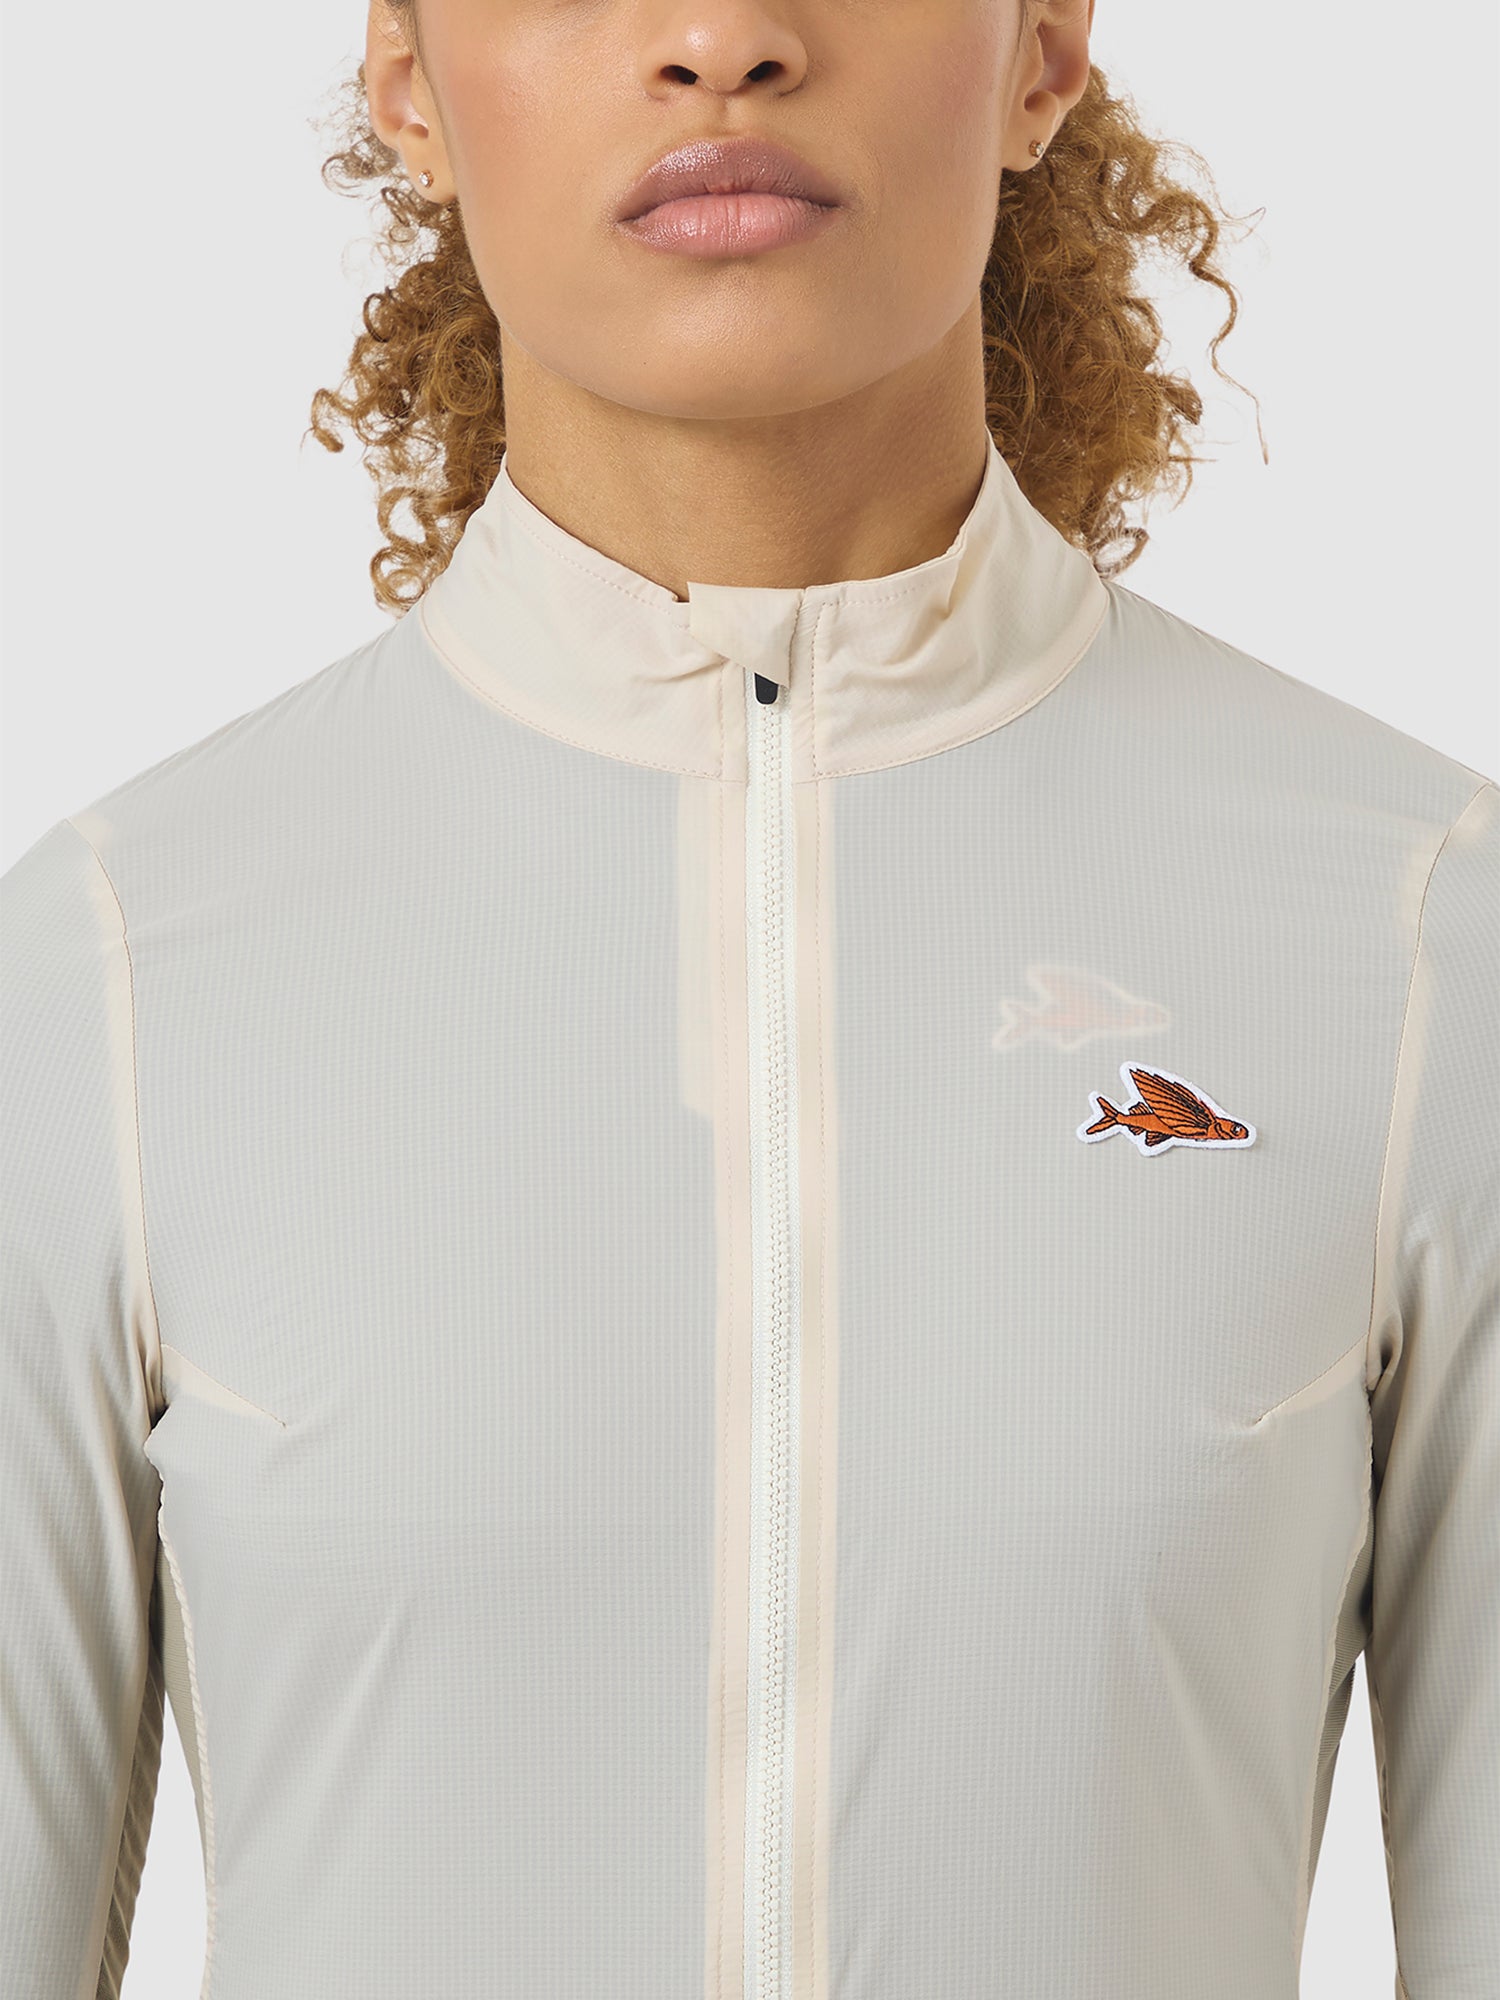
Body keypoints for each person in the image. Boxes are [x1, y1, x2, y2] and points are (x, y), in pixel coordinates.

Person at [2, 1, 1495, 1995]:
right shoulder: (106, 975)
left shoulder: (1418, 934)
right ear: (409, 77)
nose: (722, 36)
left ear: (1042, 50)